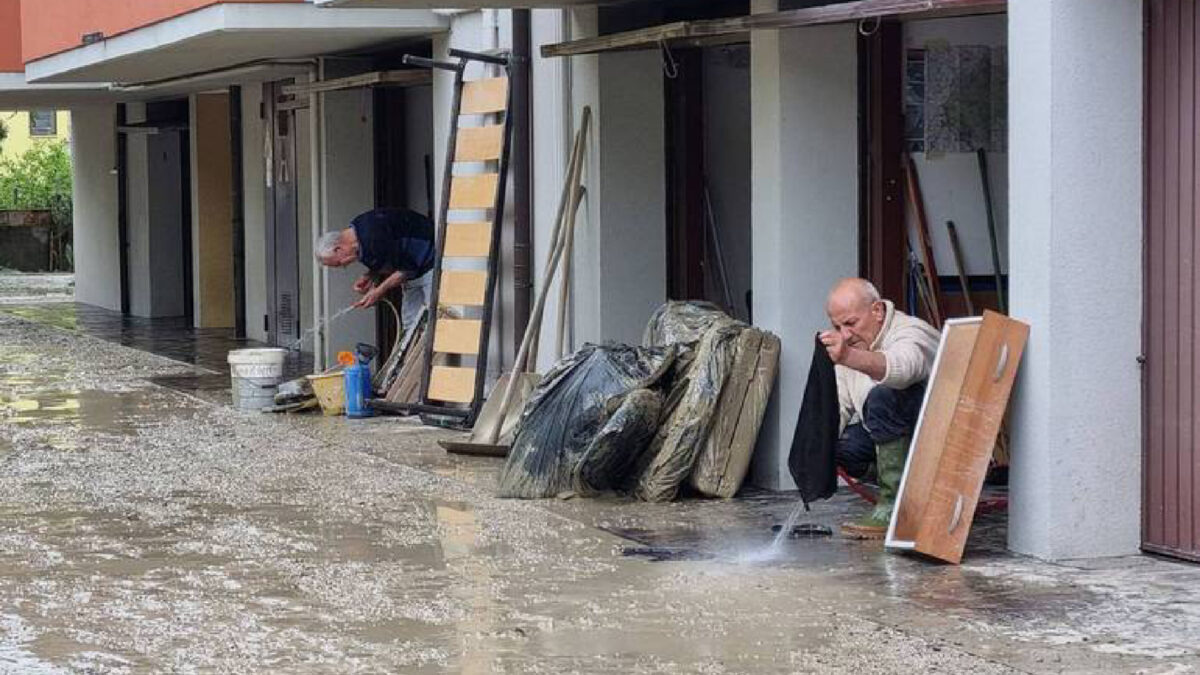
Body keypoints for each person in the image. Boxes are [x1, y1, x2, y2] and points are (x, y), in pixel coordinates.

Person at [819, 278, 940, 539]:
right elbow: (837, 408)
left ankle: (891, 504)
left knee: (884, 396)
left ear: (876, 311)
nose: (846, 334)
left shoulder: (911, 331)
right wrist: (813, 452)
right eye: (837, 326)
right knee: (838, 445)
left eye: (851, 323)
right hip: (894, 436)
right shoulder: (850, 348)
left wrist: (848, 358)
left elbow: (903, 371)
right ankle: (906, 491)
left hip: (936, 441)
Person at [315, 207, 436, 345]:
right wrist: (370, 276)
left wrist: (379, 291)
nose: (344, 265)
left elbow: (407, 269)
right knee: (410, 326)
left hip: (430, 259)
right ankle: (413, 360)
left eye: (339, 263)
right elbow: (386, 261)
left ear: (338, 249)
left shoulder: (371, 236)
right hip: (414, 271)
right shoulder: (357, 235)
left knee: (432, 320)